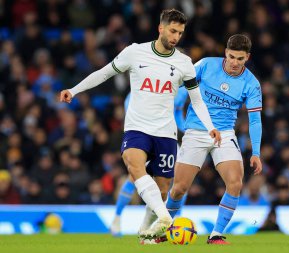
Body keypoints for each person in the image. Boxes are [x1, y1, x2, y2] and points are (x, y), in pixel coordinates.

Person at [60, 9, 221, 242]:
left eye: (180, 33)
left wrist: (209, 127)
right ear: (161, 28)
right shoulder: (135, 52)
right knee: (134, 167)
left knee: (163, 189)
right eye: (173, 31)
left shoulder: (185, 63)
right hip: (137, 128)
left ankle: (145, 235)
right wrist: (73, 90)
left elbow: (196, 100)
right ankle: (165, 218)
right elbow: (104, 73)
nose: (176, 36)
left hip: (166, 132)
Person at [166, 34, 263, 244]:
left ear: (247, 57)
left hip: (225, 134)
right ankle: (163, 228)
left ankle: (216, 234)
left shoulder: (252, 84)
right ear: (225, 53)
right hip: (196, 131)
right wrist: (179, 123)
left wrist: (255, 152)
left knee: (235, 183)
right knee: (179, 188)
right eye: (231, 57)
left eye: (240, 59)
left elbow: (255, 120)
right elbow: (181, 94)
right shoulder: (206, 65)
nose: (235, 63)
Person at [110, 87, 188, 237]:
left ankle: (175, 221)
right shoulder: (140, 87)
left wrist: (188, 129)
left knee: (180, 180)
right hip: (145, 138)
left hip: (168, 139)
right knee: (134, 177)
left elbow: (177, 113)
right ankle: (117, 217)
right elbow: (130, 116)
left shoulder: (183, 90)